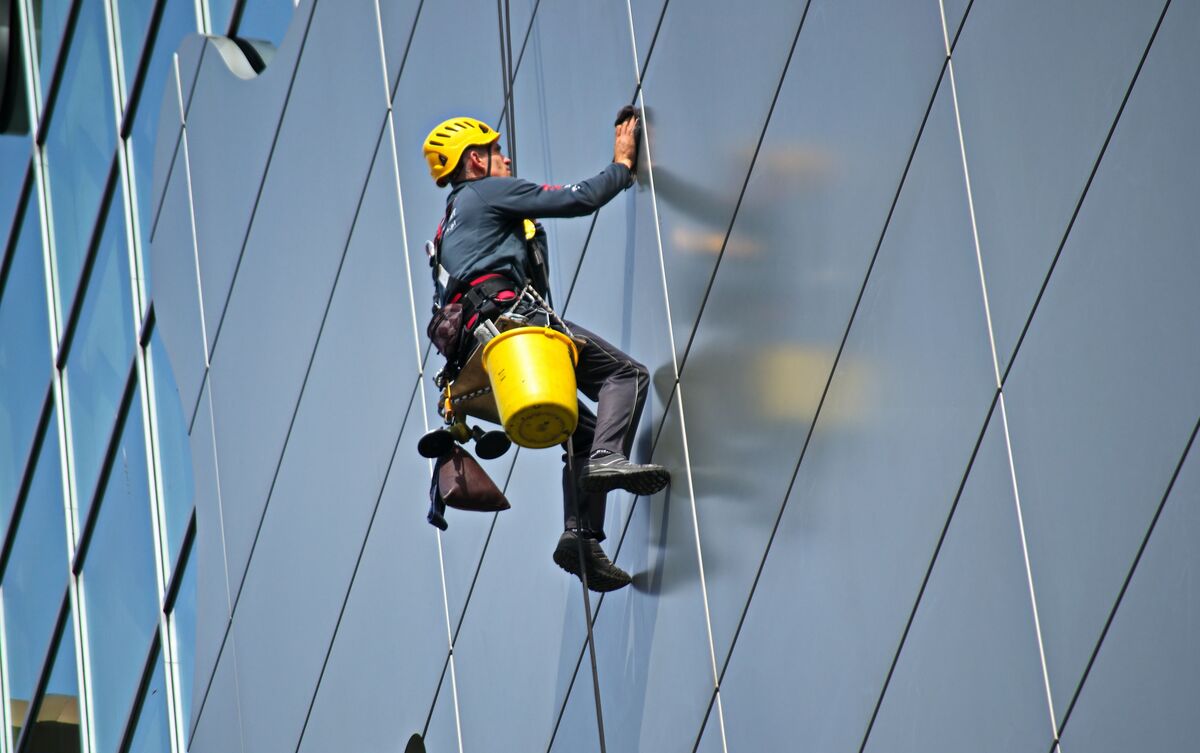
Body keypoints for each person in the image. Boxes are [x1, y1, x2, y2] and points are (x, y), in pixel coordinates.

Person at [422, 115, 669, 592]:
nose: (507, 158)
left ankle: (580, 538)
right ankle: (607, 459)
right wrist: (621, 166)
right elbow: (576, 199)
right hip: (513, 326)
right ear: (475, 160)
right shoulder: (485, 193)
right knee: (627, 376)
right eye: (497, 151)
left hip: (481, 357)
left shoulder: (446, 228)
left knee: (584, 430)